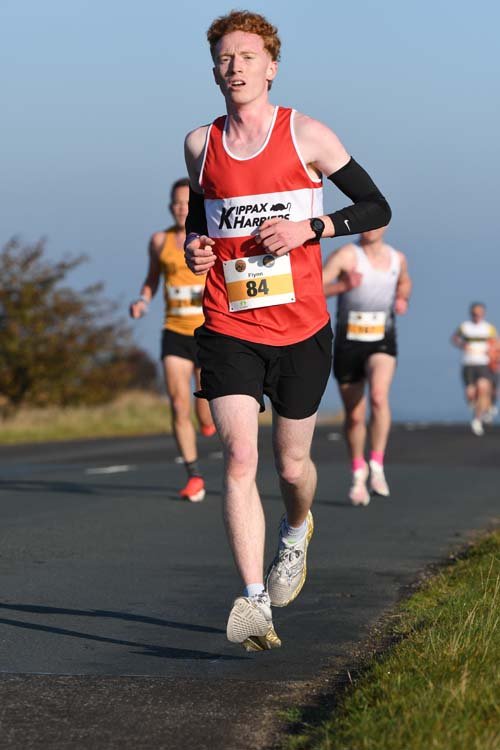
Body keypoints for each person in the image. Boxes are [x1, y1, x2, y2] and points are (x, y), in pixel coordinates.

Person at [183, 10, 392, 651]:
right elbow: (201, 220)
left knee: (291, 464)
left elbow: (377, 206)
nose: (235, 67)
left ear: (271, 67)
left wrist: (313, 227)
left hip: (302, 328)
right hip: (228, 322)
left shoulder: (306, 135)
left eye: (247, 56)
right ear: (213, 70)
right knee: (239, 457)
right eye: (225, 58)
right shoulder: (200, 144)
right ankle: (253, 602)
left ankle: (296, 531)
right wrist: (195, 248)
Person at [130, 178, 216, 502]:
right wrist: (143, 300)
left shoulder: (209, 237)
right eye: (176, 203)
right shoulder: (159, 241)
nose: (181, 209)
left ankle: (205, 420)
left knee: (205, 407)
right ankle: (194, 476)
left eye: (186, 203)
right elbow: (152, 278)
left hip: (207, 330)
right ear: (170, 207)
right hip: (175, 332)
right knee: (179, 403)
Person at [322, 227, 411, 506]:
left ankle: (377, 465)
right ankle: (358, 472)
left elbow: (404, 282)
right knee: (355, 416)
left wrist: (402, 298)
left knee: (378, 397)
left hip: (382, 340)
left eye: (377, 222)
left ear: (385, 224)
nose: (371, 227)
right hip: (349, 344)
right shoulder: (346, 256)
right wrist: (342, 286)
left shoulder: (397, 258)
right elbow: (314, 288)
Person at [451, 303, 498, 436]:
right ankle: (482, 408)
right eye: (475, 313)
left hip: (484, 363)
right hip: (468, 363)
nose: (477, 316)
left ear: (483, 314)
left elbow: (496, 343)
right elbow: (454, 339)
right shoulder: (465, 327)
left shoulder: (489, 328)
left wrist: (494, 356)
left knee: (483, 388)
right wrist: (462, 345)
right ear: (471, 313)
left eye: (479, 313)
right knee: (470, 393)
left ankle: (477, 419)